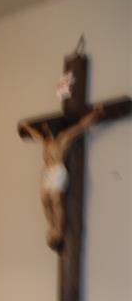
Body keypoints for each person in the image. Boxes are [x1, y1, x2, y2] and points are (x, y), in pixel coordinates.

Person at [20, 106, 104, 251]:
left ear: (52, 129)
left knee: (55, 198)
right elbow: (35, 135)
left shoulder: (63, 139)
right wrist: (26, 127)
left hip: (57, 170)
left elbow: (81, 126)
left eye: (47, 128)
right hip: (47, 173)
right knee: (45, 201)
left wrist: (96, 114)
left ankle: (57, 229)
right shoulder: (46, 141)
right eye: (44, 129)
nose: (45, 130)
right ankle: (55, 229)